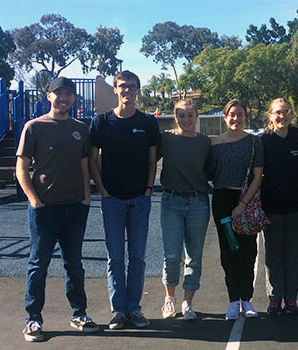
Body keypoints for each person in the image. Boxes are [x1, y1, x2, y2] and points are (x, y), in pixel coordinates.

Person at [17, 77, 98, 342]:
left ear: (74, 98)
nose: (64, 98)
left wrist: (86, 198)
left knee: (74, 263)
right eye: (58, 94)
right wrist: (33, 200)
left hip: (75, 207)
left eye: (68, 94)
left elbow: (85, 166)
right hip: (44, 209)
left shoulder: (80, 128)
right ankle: (33, 319)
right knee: (38, 264)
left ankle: (79, 313)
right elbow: (22, 167)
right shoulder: (34, 127)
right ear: (49, 96)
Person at [89, 70, 159, 330]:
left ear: (138, 90)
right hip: (112, 200)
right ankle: (118, 310)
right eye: (122, 86)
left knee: (138, 257)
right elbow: (92, 159)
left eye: (131, 86)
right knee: (115, 258)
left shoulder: (148, 123)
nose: (127, 90)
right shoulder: (101, 122)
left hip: (141, 198)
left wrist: (149, 189)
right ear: (115, 90)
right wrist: (103, 190)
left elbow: (153, 160)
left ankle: (135, 308)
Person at [208, 99, 264, 320]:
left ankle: (247, 299)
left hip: (246, 200)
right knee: (229, 250)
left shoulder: (253, 142)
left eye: (240, 114)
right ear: (225, 117)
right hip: (222, 201)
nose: (236, 118)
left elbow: (258, 176)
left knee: (248, 251)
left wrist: (242, 204)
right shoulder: (214, 144)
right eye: (232, 114)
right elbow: (208, 172)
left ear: (245, 117)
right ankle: (233, 300)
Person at [157, 100, 211, 321]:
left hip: (198, 203)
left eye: (190, 115)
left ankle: (188, 301)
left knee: (194, 256)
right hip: (171, 202)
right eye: (181, 115)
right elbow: (146, 159)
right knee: (171, 255)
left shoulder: (205, 142)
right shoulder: (166, 139)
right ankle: (169, 299)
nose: (186, 120)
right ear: (175, 117)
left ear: (197, 116)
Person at [259, 98, 298, 317]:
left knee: (294, 256)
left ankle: (291, 299)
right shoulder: (263, 141)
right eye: (278, 112)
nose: (283, 116)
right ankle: (275, 298)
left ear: (291, 114)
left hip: (296, 208)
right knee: (274, 256)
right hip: (272, 209)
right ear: (270, 116)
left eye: (286, 112)